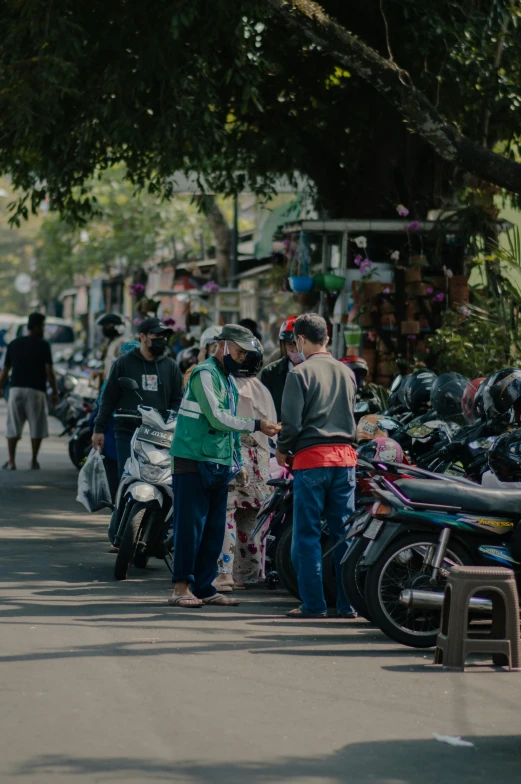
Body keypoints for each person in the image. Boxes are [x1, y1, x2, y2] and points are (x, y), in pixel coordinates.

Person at [169, 324, 280, 608]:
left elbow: (229, 427)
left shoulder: (227, 378)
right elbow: (218, 418)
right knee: (190, 527)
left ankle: (205, 588)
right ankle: (181, 588)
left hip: (218, 461)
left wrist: (237, 461)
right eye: (240, 352)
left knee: (214, 530)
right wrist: (257, 425)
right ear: (224, 345)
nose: (242, 358)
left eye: (245, 355)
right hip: (193, 459)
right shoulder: (204, 373)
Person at [276, 313, 358, 619]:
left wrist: (283, 450)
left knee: (308, 535)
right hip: (346, 460)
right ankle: (348, 605)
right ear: (327, 337)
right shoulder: (346, 372)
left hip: (312, 461)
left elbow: (292, 425)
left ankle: (314, 605)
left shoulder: (299, 374)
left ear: (300, 339)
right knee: (344, 534)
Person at [214, 339, 277, 592]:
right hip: (259, 461)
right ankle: (248, 575)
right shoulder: (262, 389)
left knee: (226, 518)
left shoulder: (226, 387)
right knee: (251, 519)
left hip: (233, 458)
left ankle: (224, 575)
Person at [92, 318, 183, 478]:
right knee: (127, 477)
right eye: (157, 335)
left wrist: (173, 424)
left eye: (164, 336)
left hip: (159, 434)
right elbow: (109, 398)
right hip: (127, 430)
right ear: (143, 337)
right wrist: (99, 429)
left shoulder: (170, 366)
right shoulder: (123, 363)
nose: (162, 340)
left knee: (160, 480)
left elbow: (178, 400)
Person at [0, 312, 59, 470]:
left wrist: (0, 387)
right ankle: (33, 461)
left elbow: (5, 370)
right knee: (37, 426)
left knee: (13, 425)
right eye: (42, 326)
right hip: (36, 391)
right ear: (36, 327)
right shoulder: (43, 345)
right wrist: (55, 391)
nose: (43, 329)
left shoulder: (14, 343)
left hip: (16, 390)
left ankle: (11, 462)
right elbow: (49, 371)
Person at [260, 315, 301, 420]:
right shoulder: (270, 373)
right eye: (290, 345)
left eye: (298, 344)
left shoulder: (317, 371)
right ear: (283, 346)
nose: (295, 350)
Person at [94, 313, 127, 382]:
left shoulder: (122, 342)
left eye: (107, 326)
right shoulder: (110, 342)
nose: (104, 329)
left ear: (118, 327)